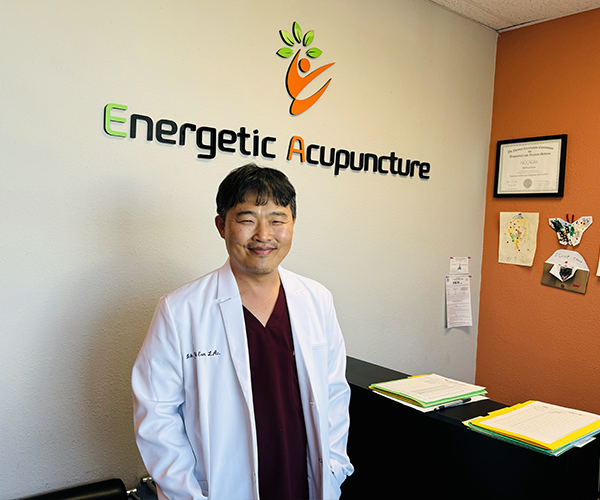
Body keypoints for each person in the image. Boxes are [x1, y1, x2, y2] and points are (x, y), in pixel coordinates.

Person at [132, 164, 353, 500]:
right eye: (247, 219)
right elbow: (156, 416)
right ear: (222, 225)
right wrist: (186, 494)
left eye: (277, 220)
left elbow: (335, 393)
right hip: (220, 489)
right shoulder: (180, 310)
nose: (263, 235)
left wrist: (334, 466)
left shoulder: (317, 300)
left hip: (303, 482)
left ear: (293, 224)